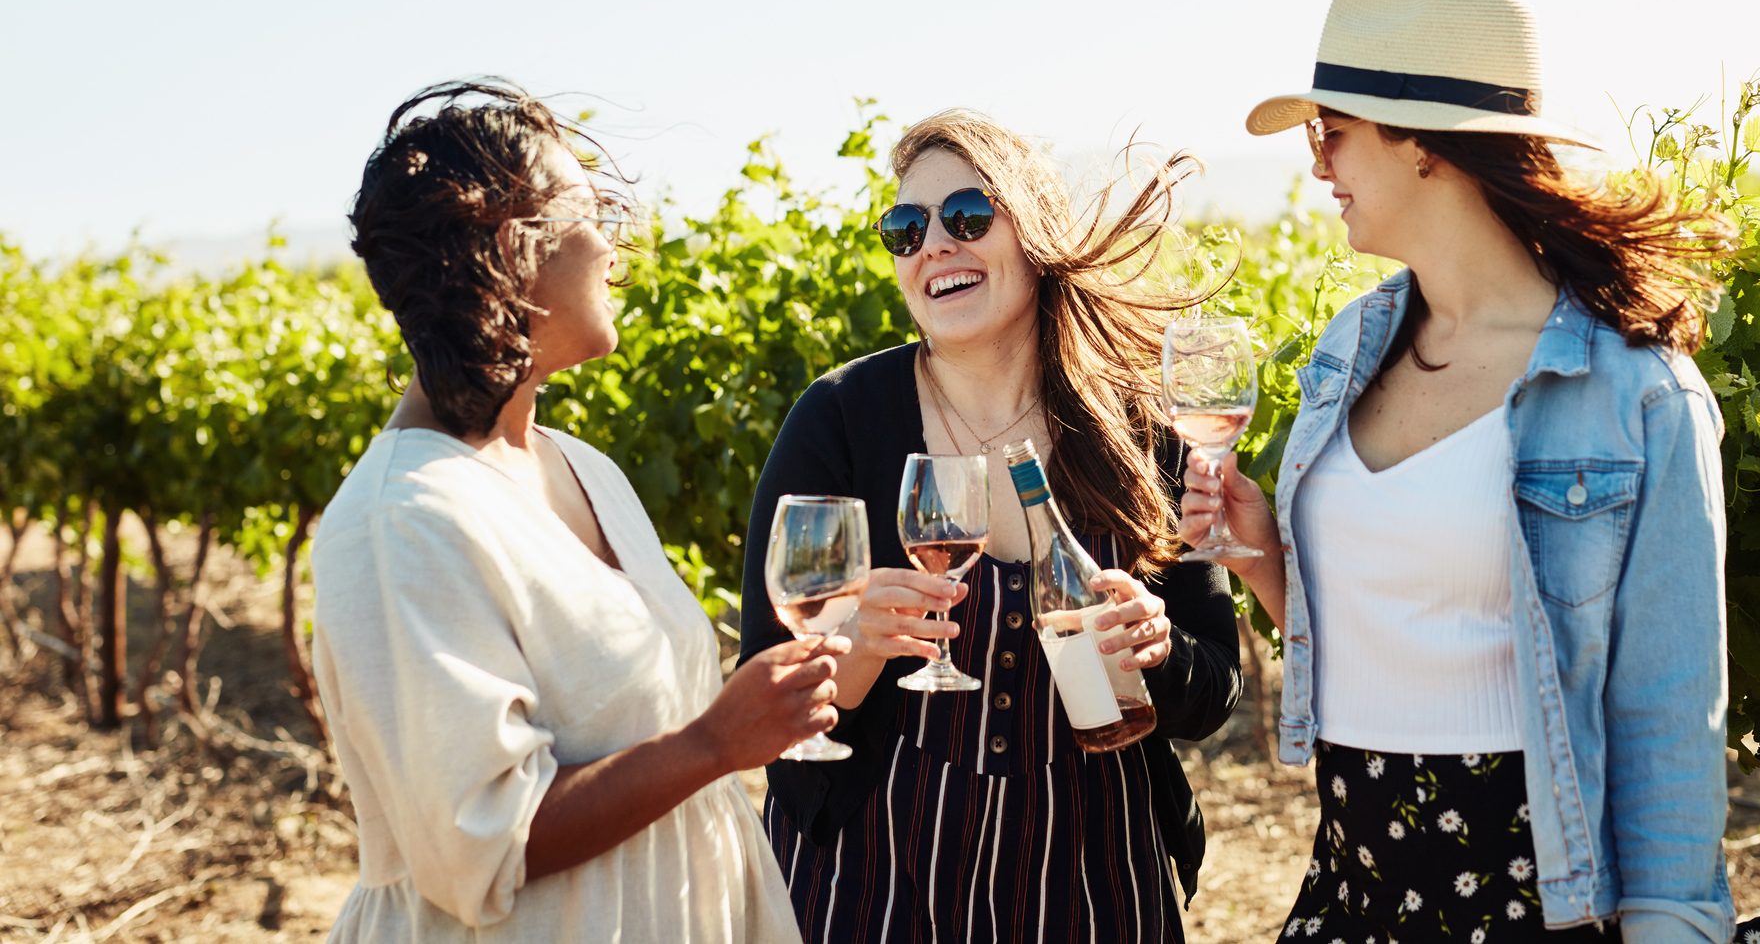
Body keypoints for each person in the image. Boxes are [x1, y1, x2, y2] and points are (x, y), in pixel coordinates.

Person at [1180, 0, 1760, 942]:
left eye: (1330, 133)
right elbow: (1392, 637)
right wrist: (1263, 551)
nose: (1318, 169)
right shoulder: (1351, 347)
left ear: (1422, 142)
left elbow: (1667, 721)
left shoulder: (1634, 393)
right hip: (1353, 879)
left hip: (1529, 893)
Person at [313, 80, 835, 943]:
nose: (613, 249)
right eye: (592, 217)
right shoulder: (401, 521)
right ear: (510, 248)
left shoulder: (581, 467)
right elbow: (479, 848)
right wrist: (714, 743)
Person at [739, 109, 1244, 943]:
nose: (933, 244)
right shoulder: (838, 421)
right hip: (872, 880)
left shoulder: (1139, 429)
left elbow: (1211, 691)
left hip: (1093, 880)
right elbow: (771, 700)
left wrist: (1159, 649)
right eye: (905, 229)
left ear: (1032, 233)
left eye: (967, 216)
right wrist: (856, 649)